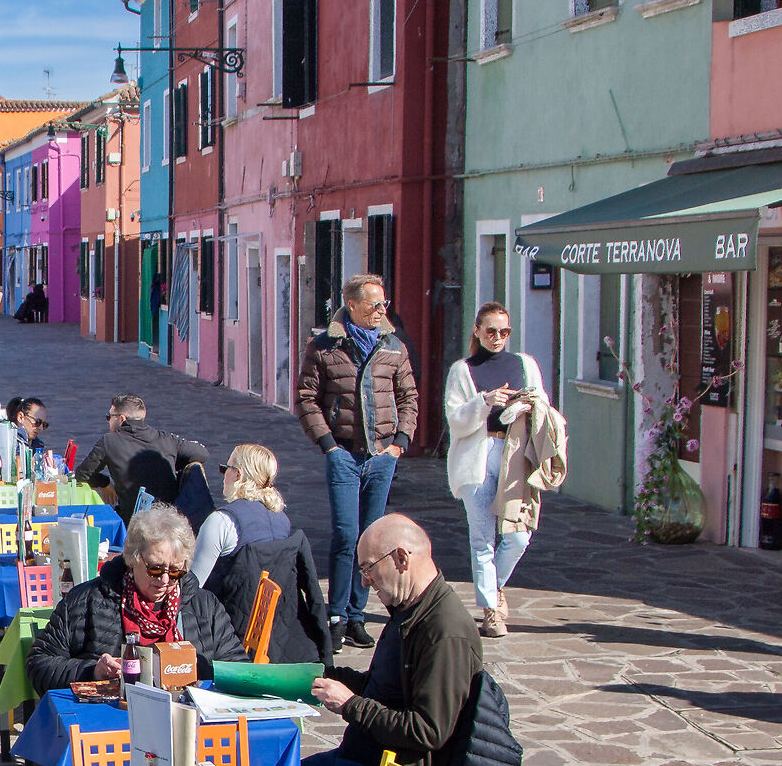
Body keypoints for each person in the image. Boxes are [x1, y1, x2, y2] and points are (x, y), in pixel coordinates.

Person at [299, 514, 482, 766]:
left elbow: (428, 730)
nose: (365, 581)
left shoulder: (444, 629)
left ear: (401, 558)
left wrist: (350, 705)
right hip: (361, 760)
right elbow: (381, 688)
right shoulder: (408, 611)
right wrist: (323, 675)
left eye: (368, 568)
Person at [298, 274, 418, 649]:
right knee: (346, 536)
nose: (382, 310)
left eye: (384, 303)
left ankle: (357, 615)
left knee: (373, 539)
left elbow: (408, 397)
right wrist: (329, 445)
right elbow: (306, 398)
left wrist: (399, 443)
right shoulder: (325, 347)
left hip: (382, 456)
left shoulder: (393, 347)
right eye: (375, 304)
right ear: (352, 305)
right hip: (344, 456)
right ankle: (336, 616)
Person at [26, 508, 247, 693]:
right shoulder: (88, 601)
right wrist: (92, 671)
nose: (164, 580)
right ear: (133, 559)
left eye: (176, 572)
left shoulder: (204, 606)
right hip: (110, 727)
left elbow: (239, 668)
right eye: (155, 568)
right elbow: (38, 664)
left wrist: (203, 671)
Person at [442, 303, 552, 637]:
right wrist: (486, 402)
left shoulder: (524, 364)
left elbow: (543, 403)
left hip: (515, 453)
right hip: (477, 454)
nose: (498, 338)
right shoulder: (464, 370)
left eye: (504, 332)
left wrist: (528, 403)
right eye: (491, 331)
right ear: (477, 331)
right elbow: (456, 420)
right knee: (482, 539)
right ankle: (491, 609)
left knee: (519, 535)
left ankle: (495, 586)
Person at [75, 393, 209, 519]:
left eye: (109, 417)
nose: (108, 421)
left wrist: (104, 483)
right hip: (169, 520)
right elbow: (202, 453)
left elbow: (82, 474)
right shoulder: (167, 439)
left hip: (132, 523)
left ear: (121, 419)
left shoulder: (109, 441)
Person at [191, 444, 292, 584]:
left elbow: (194, 584)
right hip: (271, 604)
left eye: (225, 468)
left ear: (238, 474)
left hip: (223, 604)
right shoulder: (283, 520)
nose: (223, 474)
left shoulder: (222, 522)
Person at [5, 397, 52, 464]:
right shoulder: (8, 440)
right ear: (20, 417)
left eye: (44, 425)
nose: (41, 428)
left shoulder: (37, 444)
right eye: (37, 422)